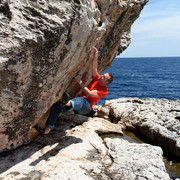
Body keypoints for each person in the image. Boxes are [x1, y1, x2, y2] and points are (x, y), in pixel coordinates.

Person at [44, 47, 113, 134]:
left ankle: (67, 102)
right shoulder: (97, 79)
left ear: (106, 82)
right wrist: (95, 55)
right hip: (78, 102)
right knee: (57, 107)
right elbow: (94, 67)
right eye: (103, 75)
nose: (101, 76)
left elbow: (88, 93)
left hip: (86, 106)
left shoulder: (104, 91)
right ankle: (48, 128)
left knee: (81, 100)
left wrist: (79, 81)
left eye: (103, 77)